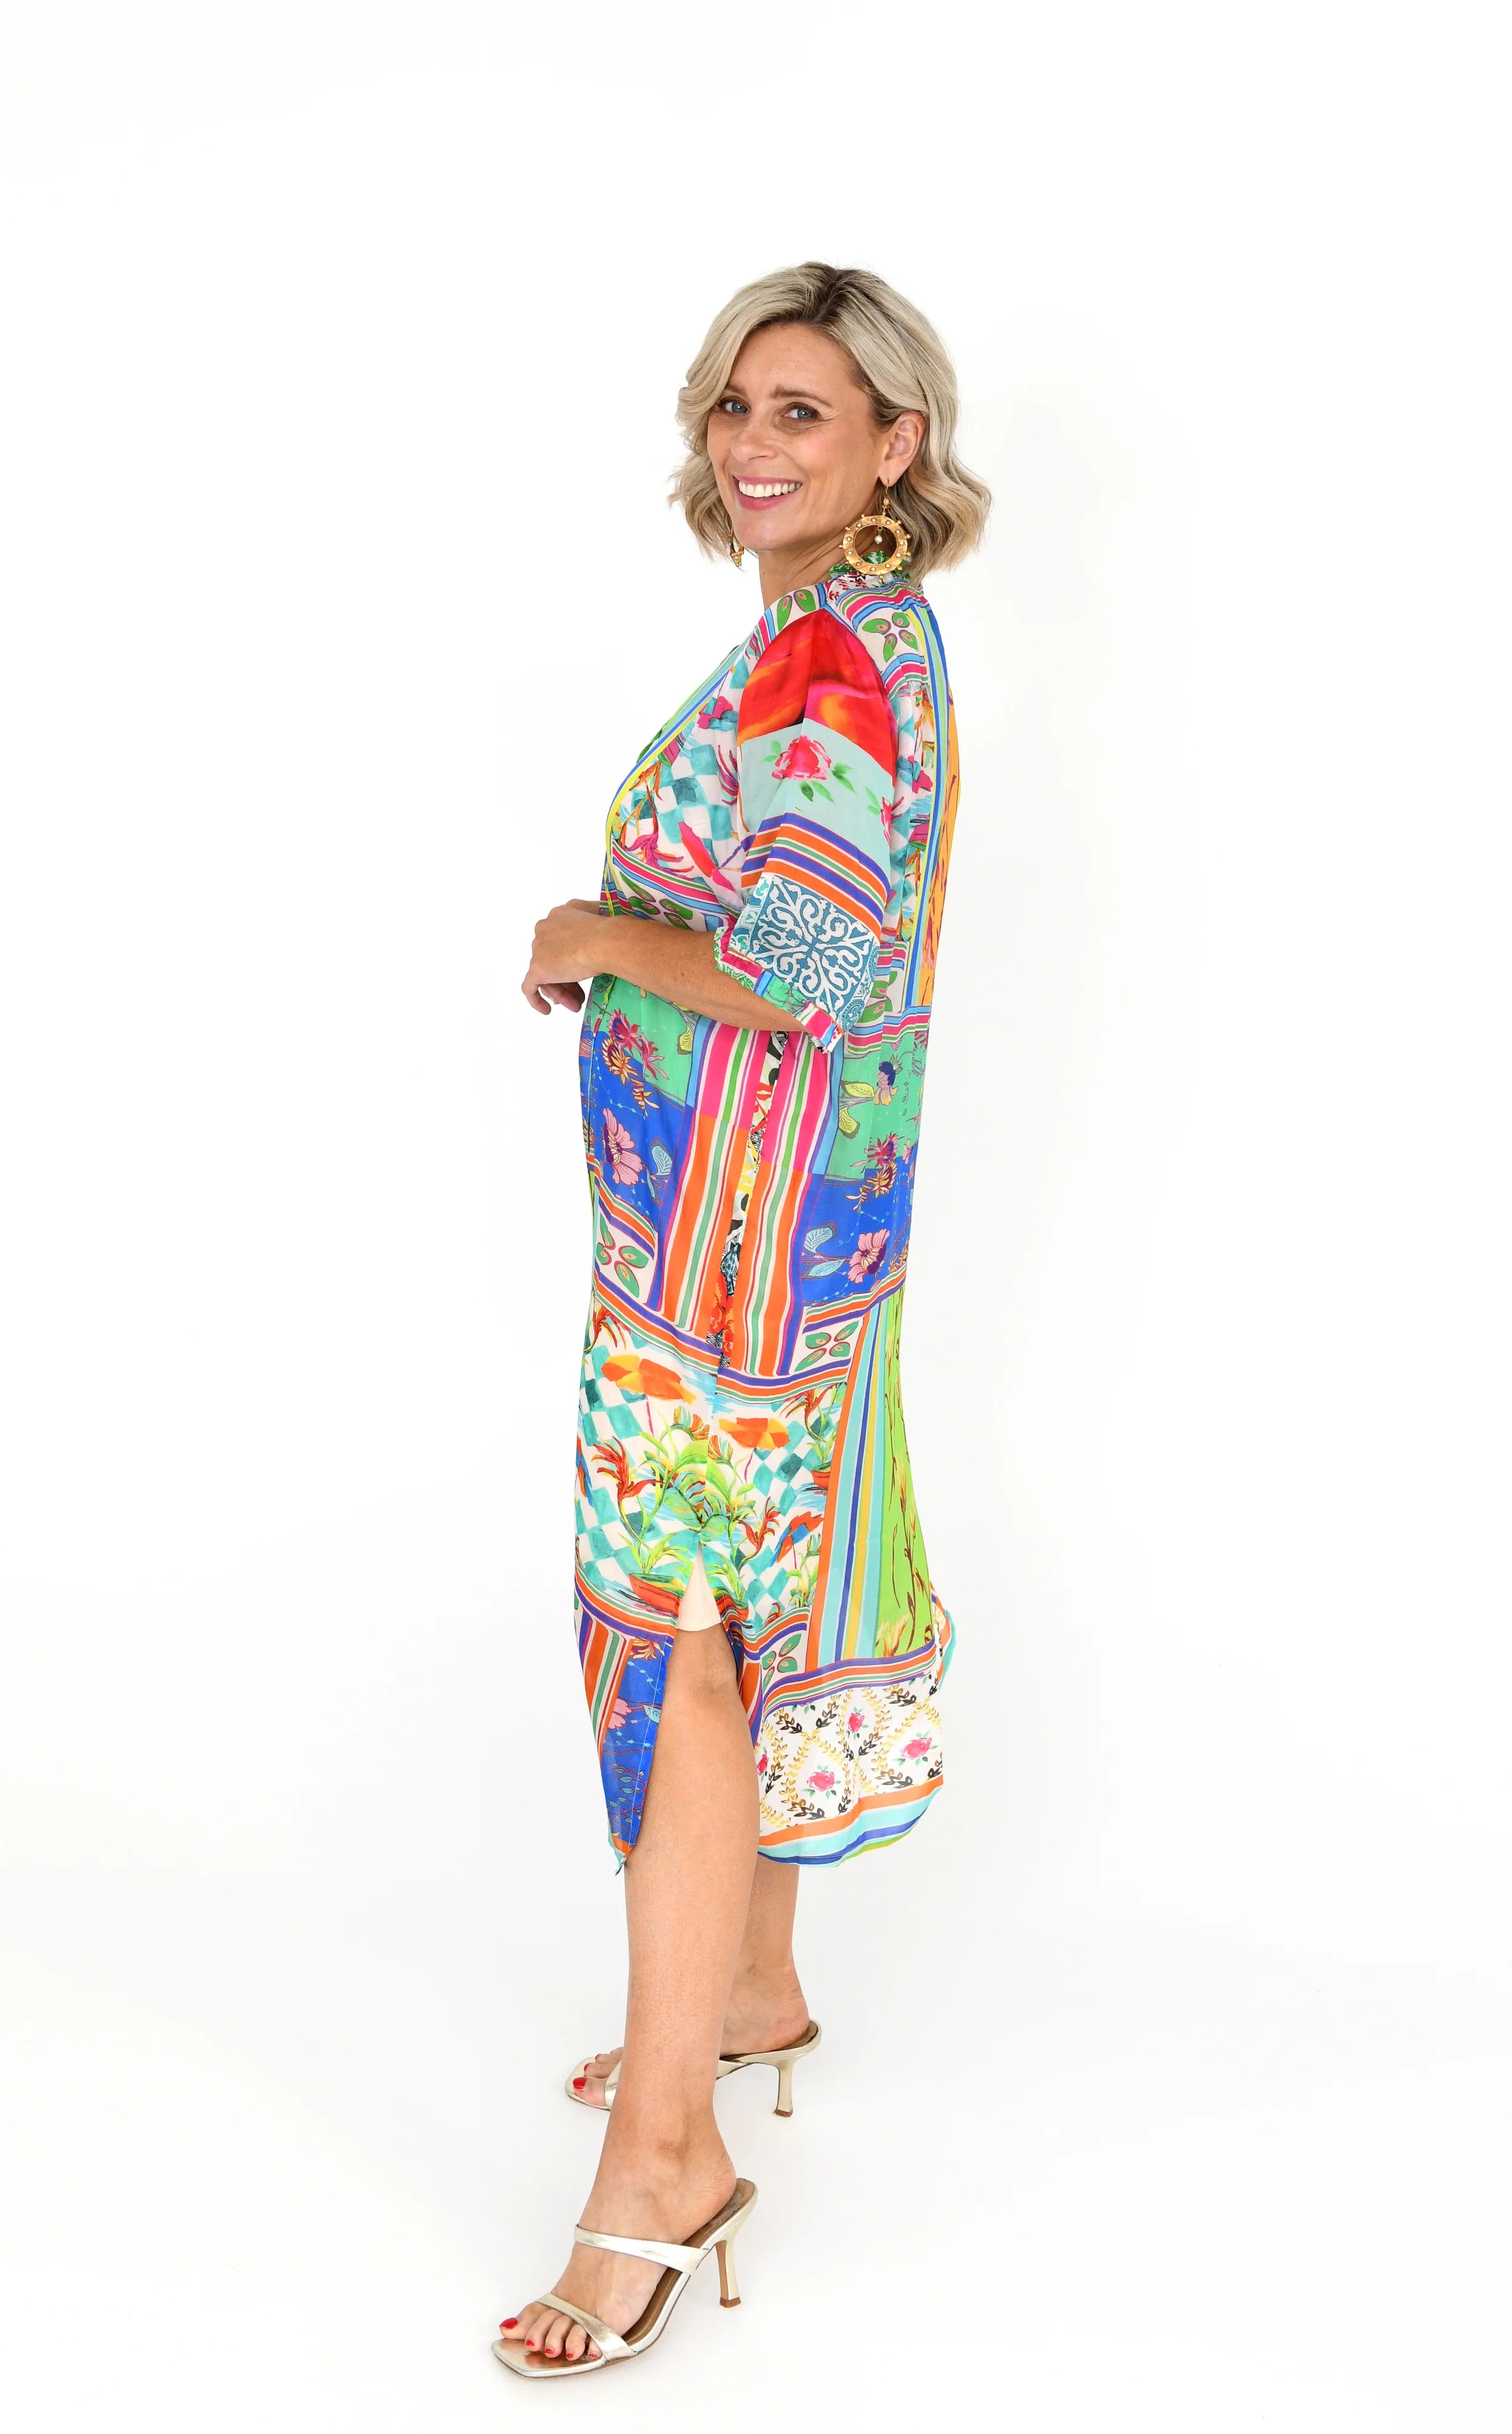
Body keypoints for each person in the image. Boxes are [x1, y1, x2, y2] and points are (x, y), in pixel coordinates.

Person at [496, 261, 989, 2379]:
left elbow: (805, 970)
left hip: (733, 1266)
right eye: (735, 406)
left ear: (895, 443)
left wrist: (597, 931)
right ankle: (754, 1992)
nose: (757, 444)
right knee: (753, 1611)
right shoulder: (850, 632)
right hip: (774, 1235)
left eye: (806, 410)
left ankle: (666, 2163)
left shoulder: (831, 665)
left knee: (677, 1637)